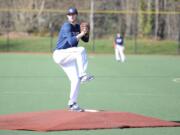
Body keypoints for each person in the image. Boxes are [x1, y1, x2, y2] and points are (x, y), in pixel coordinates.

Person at [52, 7, 94, 112]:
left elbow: (86, 40)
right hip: (60, 54)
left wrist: (86, 32)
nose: (71, 16)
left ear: (76, 15)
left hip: (68, 56)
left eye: (73, 14)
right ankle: (83, 74)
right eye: (69, 14)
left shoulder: (77, 27)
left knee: (75, 80)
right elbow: (71, 41)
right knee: (80, 50)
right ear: (67, 16)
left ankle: (72, 103)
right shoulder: (67, 26)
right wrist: (81, 33)